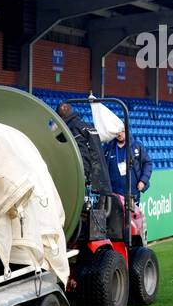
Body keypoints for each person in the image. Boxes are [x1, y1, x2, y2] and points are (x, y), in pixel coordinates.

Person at [57, 102, 111, 243]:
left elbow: (82, 157)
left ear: (61, 114)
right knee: (97, 229)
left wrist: (82, 178)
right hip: (100, 180)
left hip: (87, 182)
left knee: (82, 220)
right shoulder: (87, 126)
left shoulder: (71, 129)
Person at [104, 127, 152, 203]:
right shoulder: (108, 148)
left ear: (127, 131)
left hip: (132, 194)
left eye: (122, 131)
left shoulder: (137, 146)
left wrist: (143, 181)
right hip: (113, 195)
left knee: (131, 215)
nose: (120, 134)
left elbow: (147, 163)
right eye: (118, 131)